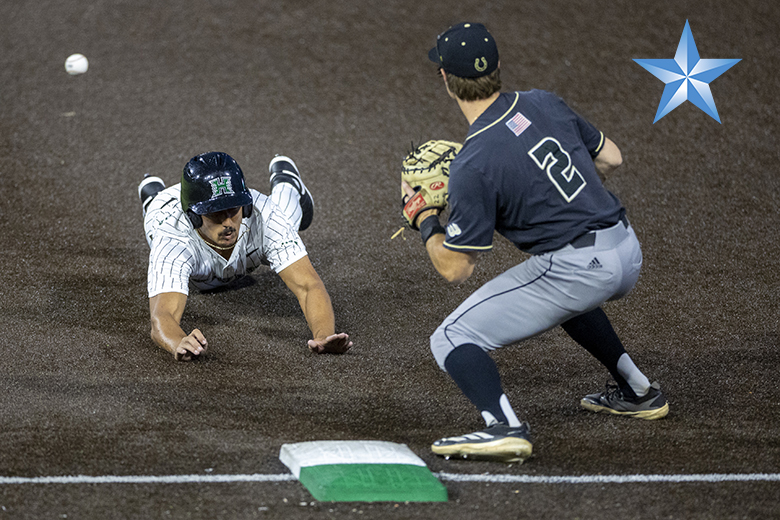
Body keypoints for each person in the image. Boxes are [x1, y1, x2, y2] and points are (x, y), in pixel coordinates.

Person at [404, 22, 668, 463]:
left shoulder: (473, 163)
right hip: (626, 249)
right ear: (499, 67)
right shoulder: (542, 102)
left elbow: (456, 268)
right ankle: (638, 390)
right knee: (561, 295)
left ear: (446, 81)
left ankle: (502, 426)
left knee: (450, 336)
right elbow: (611, 157)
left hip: (579, 270)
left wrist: (425, 219)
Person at [138, 151, 352, 361]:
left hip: (257, 231)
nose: (228, 223)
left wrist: (324, 334)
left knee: (285, 219)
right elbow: (162, 317)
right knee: (154, 226)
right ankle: (153, 197)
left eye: (233, 209)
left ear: (246, 206)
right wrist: (177, 341)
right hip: (165, 209)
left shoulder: (265, 216)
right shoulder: (172, 236)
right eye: (215, 213)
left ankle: (287, 182)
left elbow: (308, 285)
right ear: (194, 216)